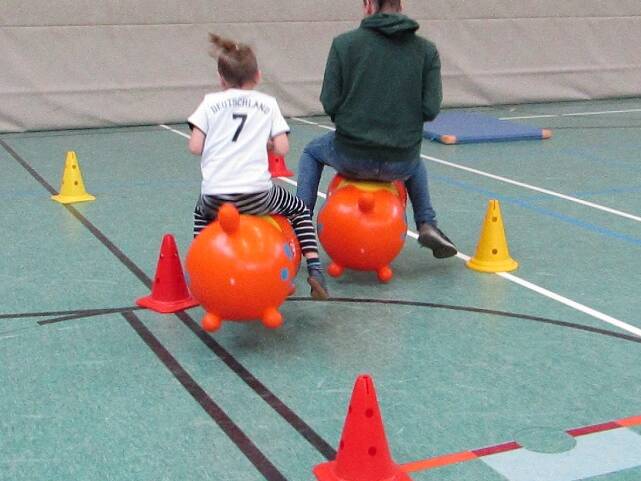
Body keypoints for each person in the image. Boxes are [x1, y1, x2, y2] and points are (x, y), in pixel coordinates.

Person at [296, 0, 457, 258]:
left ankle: (300, 221)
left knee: (312, 152)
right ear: (400, 5)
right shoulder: (427, 51)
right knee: (415, 161)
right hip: (400, 162)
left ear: (368, 4)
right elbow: (430, 110)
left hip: (351, 156)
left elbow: (329, 102)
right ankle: (427, 223)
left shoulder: (344, 44)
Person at [187, 33, 329, 299]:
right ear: (258, 76)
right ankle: (315, 269)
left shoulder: (209, 103)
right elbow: (283, 148)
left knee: (200, 214)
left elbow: (195, 147)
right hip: (257, 195)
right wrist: (266, 145)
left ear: (221, 79)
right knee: (298, 210)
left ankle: (200, 270)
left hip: (215, 197)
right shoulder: (267, 104)